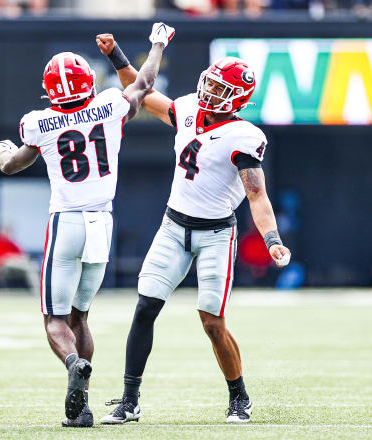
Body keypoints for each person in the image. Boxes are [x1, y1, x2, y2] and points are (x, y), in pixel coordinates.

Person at [96, 33, 291, 425]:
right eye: (211, 81)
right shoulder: (186, 108)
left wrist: (272, 239)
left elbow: (257, 196)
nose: (210, 89)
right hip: (173, 226)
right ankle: (130, 400)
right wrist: (116, 55)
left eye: (221, 88)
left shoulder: (244, 135)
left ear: (237, 98)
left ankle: (240, 397)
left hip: (217, 233)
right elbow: (140, 90)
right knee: (145, 307)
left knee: (212, 322)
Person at [0, 22, 173, 428]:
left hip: (66, 222)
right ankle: (83, 406)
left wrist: (3, 151)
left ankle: (74, 363)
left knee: (54, 320)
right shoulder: (110, 103)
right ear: (88, 81)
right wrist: (157, 44)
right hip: (102, 224)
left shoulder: (37, 122)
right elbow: (144, 83)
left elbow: (14, 163)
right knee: (81, 317)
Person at [0, 226, 39, 291]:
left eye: (9, 231)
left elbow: (21, 254)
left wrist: (16, 257)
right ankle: (38, 290)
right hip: (4, 265)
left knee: (32, 266)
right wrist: (7, 257)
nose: (7, 233)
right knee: (28, 266)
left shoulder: (12, 243)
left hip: (18, 264)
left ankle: (38, 289)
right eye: (5, 230)